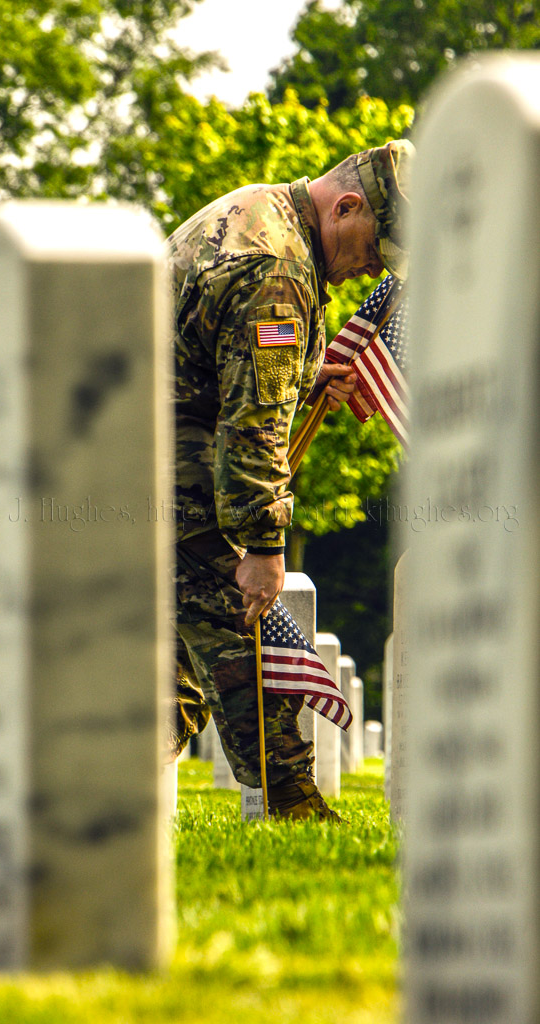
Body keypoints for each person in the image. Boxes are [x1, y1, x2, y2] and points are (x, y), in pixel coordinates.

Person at [167, 139, 414, 820]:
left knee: (172, 670)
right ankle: (294, 803)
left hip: (139, 453)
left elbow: (214, 365)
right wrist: (263, 549)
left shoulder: (263, 211)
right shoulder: (277, 270)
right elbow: (253, 426)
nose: (371, 270)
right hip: (175, 472)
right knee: (241, 631)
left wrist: (305, 381)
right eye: (375, 248)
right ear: (346, 206)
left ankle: (85, 797)